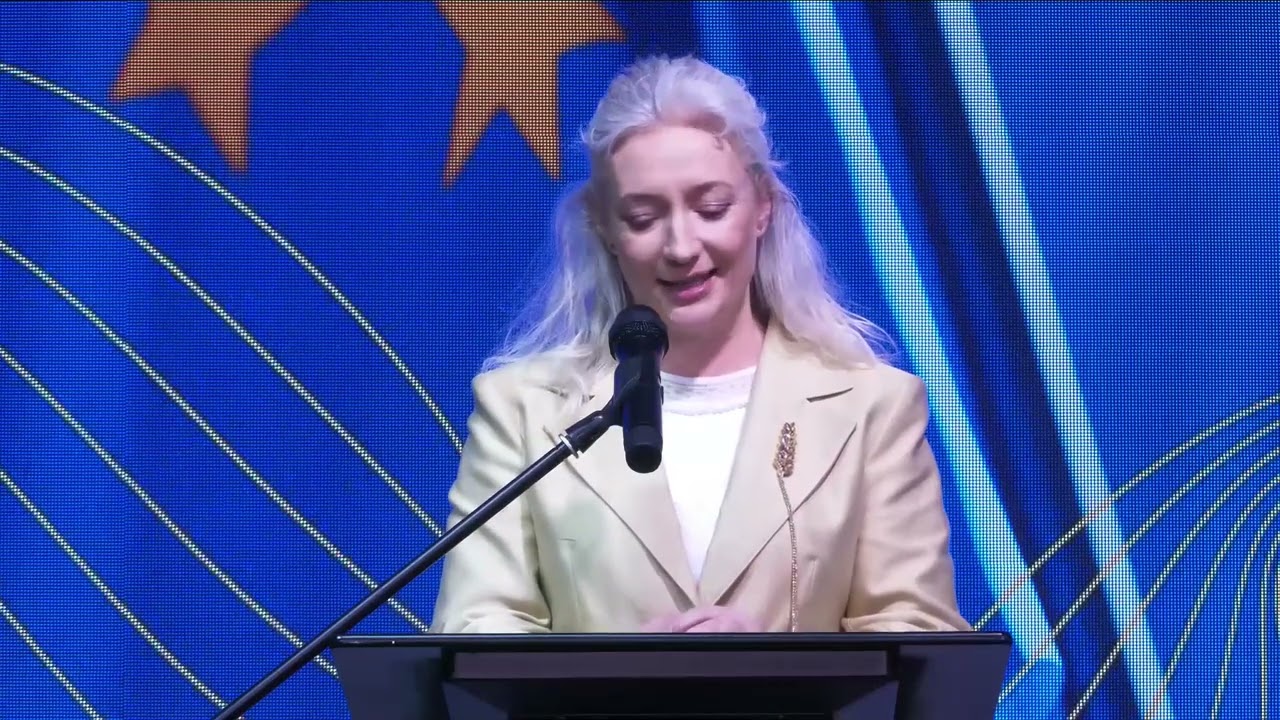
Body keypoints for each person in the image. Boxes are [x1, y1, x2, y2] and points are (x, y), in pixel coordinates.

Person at [430, 55, 970, 634]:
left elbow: (918, 631)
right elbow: (477, 626)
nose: (682, 247)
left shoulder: (871, 406)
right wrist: (618, 671)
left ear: (763, 206)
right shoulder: (523, 410)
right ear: (604, 228)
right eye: (643, 218)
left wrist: (776, 667)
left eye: (711, 208)